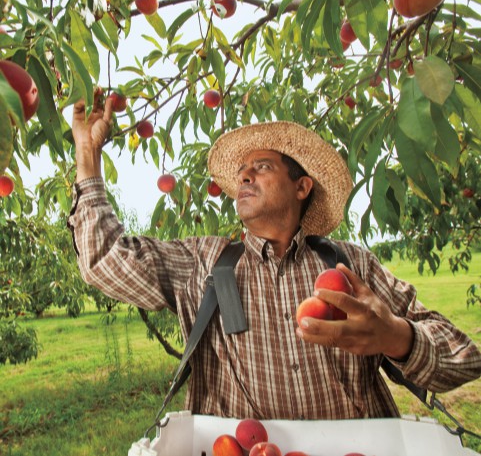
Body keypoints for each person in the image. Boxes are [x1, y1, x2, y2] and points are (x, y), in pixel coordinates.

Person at [68, 90, 481, 421]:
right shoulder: (203, 264)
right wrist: (87, 158)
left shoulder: (351, 266)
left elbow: (464, 358)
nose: (244, 175)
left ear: (302, 188)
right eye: (242, 169)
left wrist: (397, 336)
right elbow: (103, 258)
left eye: (261, 166)